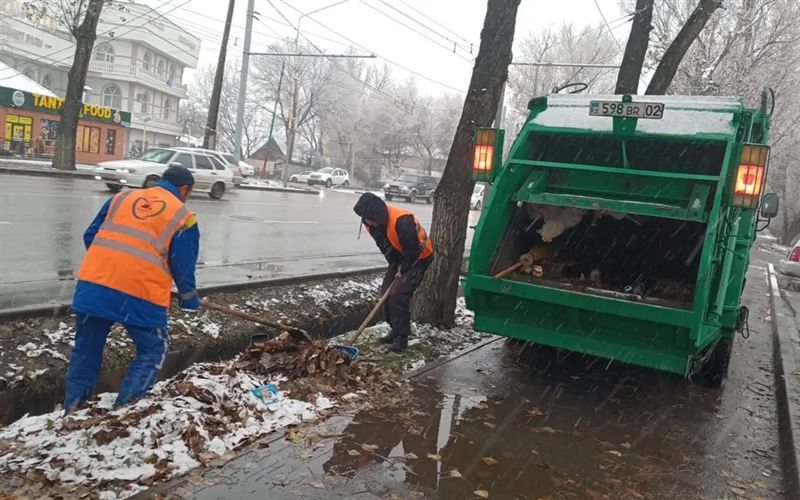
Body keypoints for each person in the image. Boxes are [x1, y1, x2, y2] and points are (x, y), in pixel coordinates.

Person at [64, 165, 201, 412]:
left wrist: (110, 266)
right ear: (185, 188)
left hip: (94, 286)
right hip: (140, 293)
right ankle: (125, 409)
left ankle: (74, 406)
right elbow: (183, 264)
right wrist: (189, 296)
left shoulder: (121, 198)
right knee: (154, 348)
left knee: (87, 349)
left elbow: (91, 235)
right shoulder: (184, 216)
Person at [353, 192, 433, 353]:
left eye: (368, 217)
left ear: (376, 214)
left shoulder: (402, 221)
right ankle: (394, 329)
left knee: (398, 295)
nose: (365, 221)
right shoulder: (372, 224)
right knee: (386, 294)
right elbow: (386, 246)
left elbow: (413, 251)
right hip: (399, 258)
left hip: (419, 257)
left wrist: (403, 269)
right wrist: (395, 265)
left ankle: (401, 339)